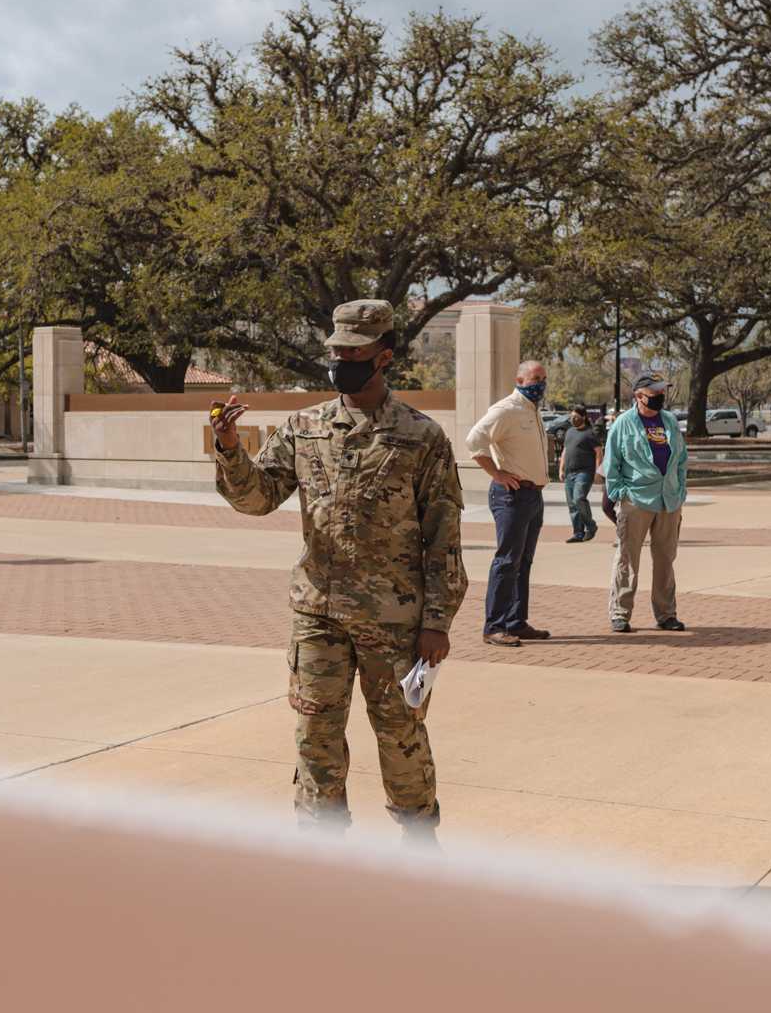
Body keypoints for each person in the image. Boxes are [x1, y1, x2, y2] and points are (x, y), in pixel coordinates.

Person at [210, 299, 466, 843]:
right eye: (336, 351)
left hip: (394, 618)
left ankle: (420, 840)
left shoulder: (422, 437)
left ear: (384, 357)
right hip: (318, 613)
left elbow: (444, 538)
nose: (340, 359)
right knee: (314, 736)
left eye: (353, 351)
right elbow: (257, 499)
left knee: (400, 735)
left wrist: (438, 621)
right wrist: (230, 451)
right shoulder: (305, 428)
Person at [467, 359, 551, 648]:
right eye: (534, 378)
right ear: (519, 380)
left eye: (543, 378)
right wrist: (497, 473)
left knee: (523, 562)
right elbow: (474, 440)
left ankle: (516, 621)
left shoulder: (532, 410)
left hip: (533, 495)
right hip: (512, 496)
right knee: (506, 561)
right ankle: (494, 626)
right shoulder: (506, 409)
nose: (540, 383)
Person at [602, 374, 689, 633]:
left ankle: (666, 614)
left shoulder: (670, 421)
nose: (661, 397)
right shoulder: (623, 424)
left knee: (665, 559)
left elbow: (682, 458)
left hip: (668, 500)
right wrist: (619, 494)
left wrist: (680, 489)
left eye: (663, 392)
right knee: (628, 559)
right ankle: (620, 613)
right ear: (640, 396)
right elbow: (612, 464)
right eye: (655, 393)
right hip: (636, 500)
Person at [559, 407, 601, 544]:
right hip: (569, 473)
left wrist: (597, 472)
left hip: (584, 472)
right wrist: (561, 469)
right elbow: (565, 451)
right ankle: (578, 533)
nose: (573, 419)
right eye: (572, 417)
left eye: (576, 416)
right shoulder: (570, 432)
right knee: (572, 504)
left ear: (583, 417)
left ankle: (591, 526)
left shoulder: (590, 434)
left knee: (579, 498)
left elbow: (598, 453)